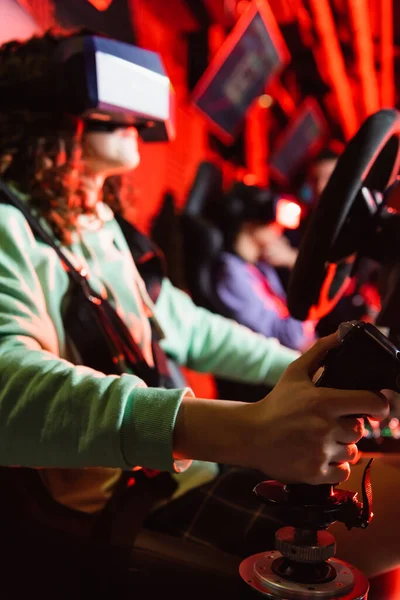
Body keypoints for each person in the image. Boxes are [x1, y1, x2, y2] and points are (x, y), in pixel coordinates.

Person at [0, 31, 393, 597]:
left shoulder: (101, 227)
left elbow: (190, 327)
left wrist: (319, 370)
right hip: (126, 506)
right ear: (57, 109)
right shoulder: (10, 225)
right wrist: (238, 431)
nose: (136, 120)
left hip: (182, 475)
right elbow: (8, 386)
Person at [212, 181, 315, 352]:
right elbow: (289, 339)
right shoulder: (231, 274)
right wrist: (305, 275)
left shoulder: (261, 268)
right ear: (251, 224)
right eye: (273, 225)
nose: (280, 232)